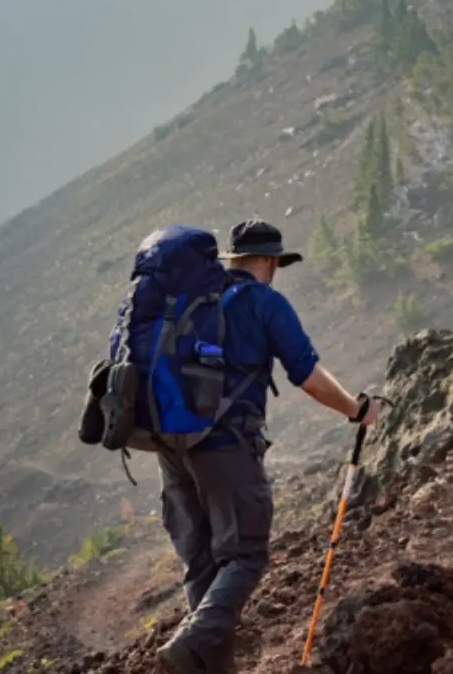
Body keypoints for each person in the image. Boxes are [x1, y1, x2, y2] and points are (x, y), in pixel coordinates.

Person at [150, 220, 386, 674]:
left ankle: (208, 666)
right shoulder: (264, 302)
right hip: (225, 445)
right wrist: (356, 411)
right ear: (270, 260)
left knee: (203, 563)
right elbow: (310, 378)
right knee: (244, 555)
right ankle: (191, 643)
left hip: (170, 444)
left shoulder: (189, 302)